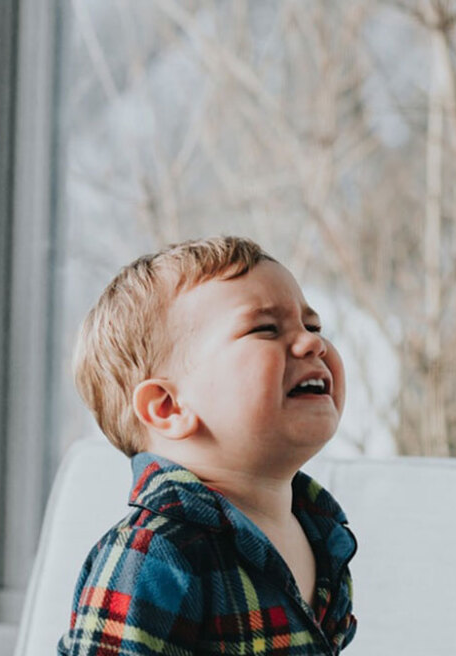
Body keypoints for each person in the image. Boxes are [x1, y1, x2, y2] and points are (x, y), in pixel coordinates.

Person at [60, 236, 357, 655]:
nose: (313, 344)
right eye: (266, 329)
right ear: (168, 407)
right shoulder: (153, 552)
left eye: (313, 326)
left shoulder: (322, 535)